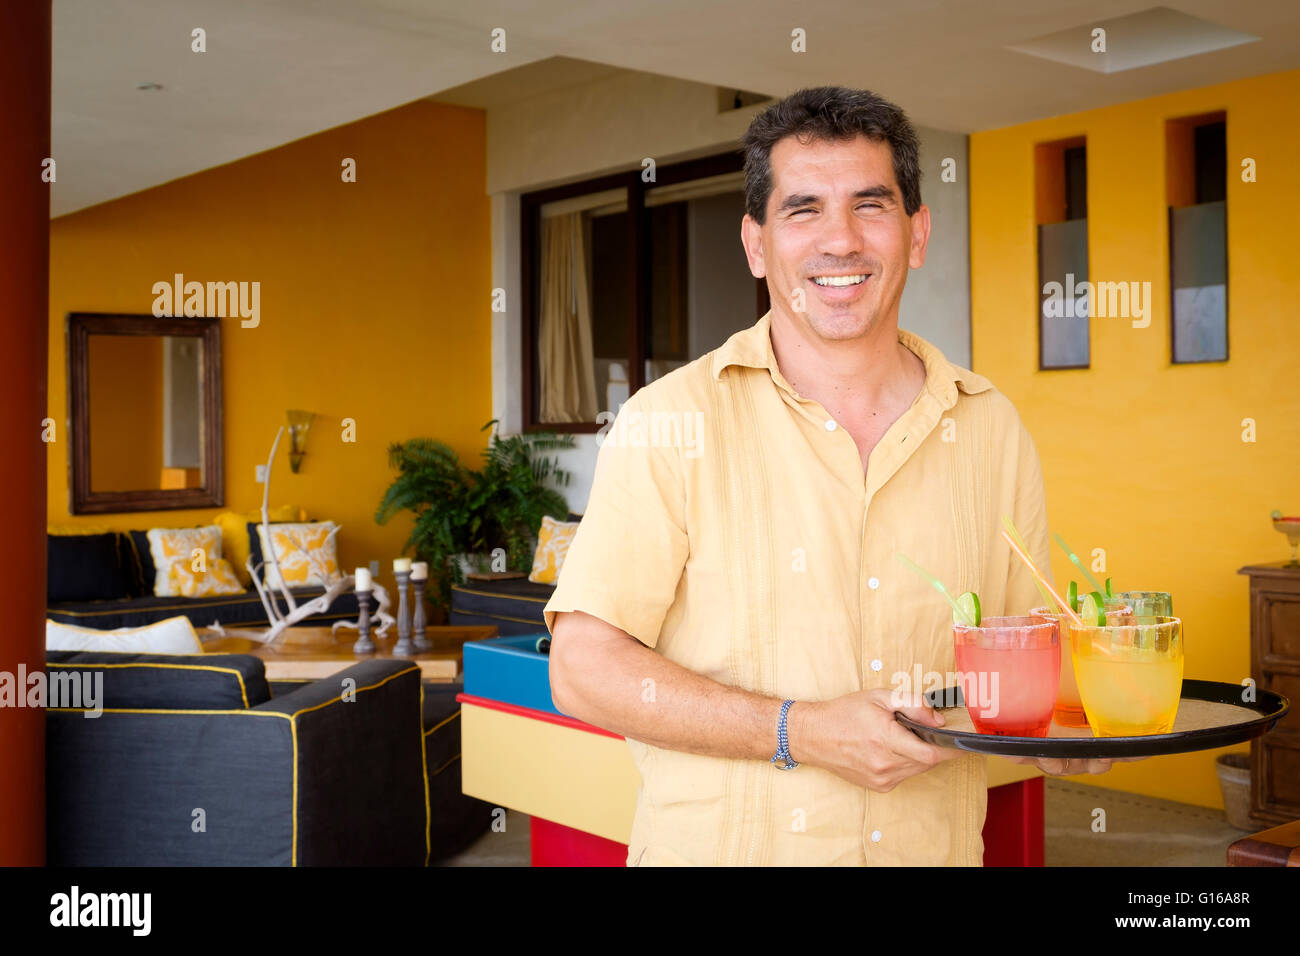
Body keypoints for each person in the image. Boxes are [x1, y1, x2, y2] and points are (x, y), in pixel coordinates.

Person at [544, 86, 1116, 866]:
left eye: (870, 206)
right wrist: (799, 730)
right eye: (804, 209)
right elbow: (581, 671)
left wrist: (1071, 727)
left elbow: (1022, 668)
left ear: (917, 233)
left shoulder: (991, 427)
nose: (839, 241)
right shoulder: (667, 423)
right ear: (757, 244)